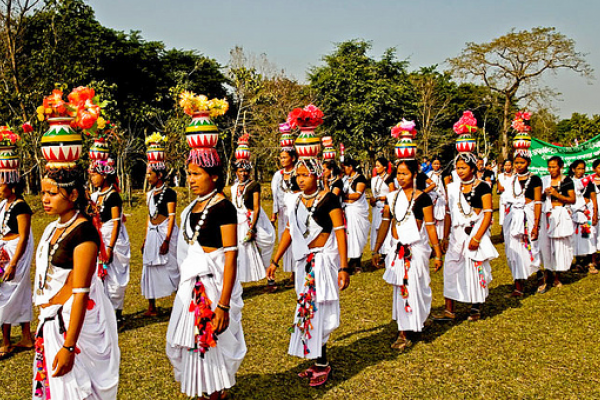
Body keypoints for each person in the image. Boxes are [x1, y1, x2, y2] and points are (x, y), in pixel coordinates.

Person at [166, 123, 246, 400]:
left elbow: (230, 257)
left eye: (196, 174)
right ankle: (201, 391)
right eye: (189, 174)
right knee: (185, 344)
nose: (191, 179)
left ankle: (214, 393)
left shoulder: (224, 208)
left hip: (212, 291)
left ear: (213, 176)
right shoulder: (195, 206)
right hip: (190, 290)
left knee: (211, 346)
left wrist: (223, 305)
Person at [34, 165, 120, 399]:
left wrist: (69, 347)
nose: (45, 199)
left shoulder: (83, 233)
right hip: (53, 320)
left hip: (71, 327)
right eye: (43, 193)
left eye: (52, 193)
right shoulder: (54, 227)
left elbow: (80, 291)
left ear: (73, 195)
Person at [267, 155, 350, 387]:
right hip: (303, 262)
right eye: (298, 175)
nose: (300, 180)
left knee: (320, 311)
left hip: (323, 263)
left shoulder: (330, 200)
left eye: (305, 175)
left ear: (318, 175)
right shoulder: (294, 201)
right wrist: (275, 260)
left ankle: (323, 363)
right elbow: (289, 233)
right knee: (307, 310)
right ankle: (317, 359)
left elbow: (341, 233)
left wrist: (344, 267)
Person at [373, 124, 442, 352]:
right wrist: (376, 249)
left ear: (414, 174)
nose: (400, 177)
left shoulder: (423, 198)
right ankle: (404, 331)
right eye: (398, 173)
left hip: (417, 249)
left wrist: (437, 252)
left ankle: (419, 318)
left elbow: (430, 227)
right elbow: (385, 224)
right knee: (402, 288)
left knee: (419, 287)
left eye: (405, 174)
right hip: (396, 250)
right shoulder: (391, 198)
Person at [436, 112, 498, 322]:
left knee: (475, 268)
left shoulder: (482, 187)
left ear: (472, 167)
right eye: (457, 167)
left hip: (474, 232)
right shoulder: (451, 188)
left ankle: (475, 306)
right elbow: (447, 214)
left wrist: (477, 238)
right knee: (451, 269)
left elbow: (488, 214)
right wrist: (444, 237)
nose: (459, 170)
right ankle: (449, 309)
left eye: (463, 167)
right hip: (455, 234)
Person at [0, 133, 34, 359]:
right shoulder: (4, 204)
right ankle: (25, 336)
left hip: (15, 255)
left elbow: (23, 237)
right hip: (4, 252)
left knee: (9, 294)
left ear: (11, 184)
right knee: (15, 294)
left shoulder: (21, 206)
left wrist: (13, 262)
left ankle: (6, 340)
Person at [89, 159, 131, 327]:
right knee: (99, 278)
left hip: (112, 241)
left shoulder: (113, 196)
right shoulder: (95, 196)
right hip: (98, 239)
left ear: (104, 175)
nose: (92, 178)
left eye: (95, 174)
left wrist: (110, 247)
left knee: (114, 278)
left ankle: (117, 314)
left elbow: (116, 223)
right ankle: (103, 312)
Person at [141, 135, 179, 316]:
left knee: (173, 266)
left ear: (160, 175)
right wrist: (145, 239)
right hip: (152, 233)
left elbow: (172, 217)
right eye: (147, 173)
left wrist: (166, 240)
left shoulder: (169, 193)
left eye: (150, 173)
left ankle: (181, 301)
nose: (148, 176)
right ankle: (151, 306)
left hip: (165, 232)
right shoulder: (149, 194)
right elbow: (149, 217)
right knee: (148, 267)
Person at [231, 134, 275, 285]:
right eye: (240, 171)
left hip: (253, 219)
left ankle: (270, 275)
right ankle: (238, 282)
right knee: (239, 251)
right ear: (236, 171)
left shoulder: (254, 185)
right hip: (238, 221)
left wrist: (252, 228)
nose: (243, 174)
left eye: (245, 171)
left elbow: (256, 207)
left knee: (265, 243)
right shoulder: (234, 187)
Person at [502, 151, 542, 298]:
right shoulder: (511, 181)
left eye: (522, 163)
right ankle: (518, 286)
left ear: (528, 163)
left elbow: (538, 202)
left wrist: (536, 225)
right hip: (513, 219)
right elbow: (505, 201)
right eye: (516, 163)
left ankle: (539, 276)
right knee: (514, 252)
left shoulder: (535, 179)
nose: (518, 166)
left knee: (530, 249)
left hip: (529, 217)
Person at [538, 156, 575, 291]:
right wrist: (544, 193)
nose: (551, 170)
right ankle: (548, 271)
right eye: (549, 167)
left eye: (554, 167)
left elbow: (572, 199)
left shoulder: (566, 181)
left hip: (559, 213)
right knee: (545, 244)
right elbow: (539, 198)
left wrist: (556, 194)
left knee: (559, 246)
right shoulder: (544, 180)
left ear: (560, 167)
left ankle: (557, 275)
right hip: (546, 215)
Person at [270, 125, 300, 284]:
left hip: (297, 211)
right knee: (285, 241)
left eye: (284, 157)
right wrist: (274, 214)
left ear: (293, 158)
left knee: (297, 240)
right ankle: (291, 272)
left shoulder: (298, 172)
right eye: (280, 158)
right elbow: (275, 195)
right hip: (283, 213)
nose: (282, 160)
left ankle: (298, 272)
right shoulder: (277, 175)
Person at [341, 156, 370, 273]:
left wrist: (343, 197)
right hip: (348, 209)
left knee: (358, 236)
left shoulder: (360, 178)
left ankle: (356, 261)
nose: (344, 170)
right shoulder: (345, 179)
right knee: (350, 236)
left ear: (350, 167)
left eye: (345, 168)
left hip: (357, 211)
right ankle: (353, 261)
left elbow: (357, 195)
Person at [568, 160, 597, 273]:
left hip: (586, 213)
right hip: (573, 213)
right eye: (578, 168)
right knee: (574, 239)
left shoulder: (589, 182)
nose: (581, 171)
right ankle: (578, 262)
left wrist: (595, 213)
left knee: (587, 237)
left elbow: (593, 198)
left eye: (583, 168)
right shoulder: (569, 181)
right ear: (573, 169)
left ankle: (590, 262)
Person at [370, 157, 395, 268]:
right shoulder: (374, 179)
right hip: (376, 207)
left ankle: (386, 255)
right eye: (376, 166)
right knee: (376, 230)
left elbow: (393, 193)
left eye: (379, 165)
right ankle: (378, 253)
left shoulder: (389, 179)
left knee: (385, 229)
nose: (376, 168)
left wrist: (382, 198)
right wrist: (373, 200)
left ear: (385, 167)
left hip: (385, 206)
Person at [427, 156, 447, 240]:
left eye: (438, 164)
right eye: (435, 164)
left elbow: (446, 186)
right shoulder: (428, 175)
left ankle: (441, 238)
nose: (436, 165)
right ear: (431, 164)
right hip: (431, 198)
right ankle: (433, 238)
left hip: (442, 199)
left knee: (441, 219)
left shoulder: (444, 174)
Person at [496, 159, 514, 227]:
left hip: (513, 199)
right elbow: (500, 188)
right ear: (503, 166)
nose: (507, 167)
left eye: (509, 165)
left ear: (512, 166)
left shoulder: (515, 176)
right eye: (506, 165)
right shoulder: (500, 176)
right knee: (503, 217)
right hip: (504, 199)